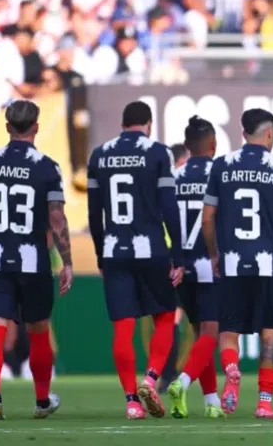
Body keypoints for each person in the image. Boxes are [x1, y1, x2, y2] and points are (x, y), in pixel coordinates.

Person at [0, 100, 74, 420]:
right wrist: (67, 261)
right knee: (38, 329)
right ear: (36, 127)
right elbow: (56, 218)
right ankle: (41, 400)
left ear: (8, 126)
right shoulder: (47, 167)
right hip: (32, 260)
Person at [201, 108, 273, 419]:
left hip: (232, 261)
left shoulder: (221, 166)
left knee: (228, 330)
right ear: (270, 133)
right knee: (268, 332)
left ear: (244, 133)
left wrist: (215, 255)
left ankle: (232, 369)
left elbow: (207, 218)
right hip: (268, 264)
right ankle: (264, 402)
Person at [86, 101, 185, 420]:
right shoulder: (158, 153)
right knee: (166, 316)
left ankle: (131, 402)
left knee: (123, 326)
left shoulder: (99, 155)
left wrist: (101, 254)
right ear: (149, 124)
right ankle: (151, 378)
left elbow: (94, 213)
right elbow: (169, 207)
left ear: (122, 124)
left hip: (114, 250)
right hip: (151, 248)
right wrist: (178, 254)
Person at [166, 116, 224, 419]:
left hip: (181, 266)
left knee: (202, 333)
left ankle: (212, 402)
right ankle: (183, 382)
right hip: (210, 262)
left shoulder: (174, 177)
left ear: (187, 146)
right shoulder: (221, 173)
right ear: (213, 144)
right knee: (211, 332)